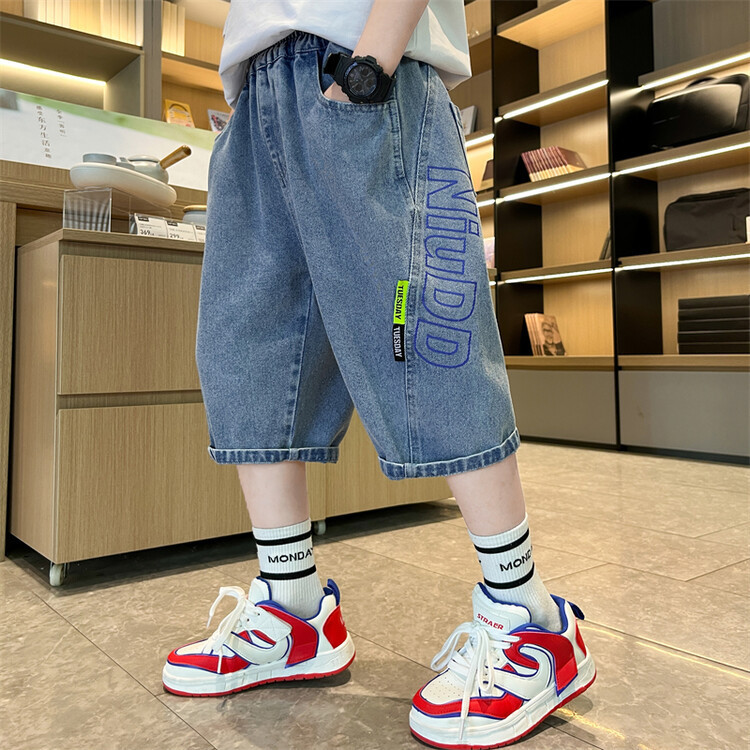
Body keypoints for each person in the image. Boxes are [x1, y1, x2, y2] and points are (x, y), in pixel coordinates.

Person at [161, 1, 596, 746]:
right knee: (248, 351)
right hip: (257, 93)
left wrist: (367, 69)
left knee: (428, 338)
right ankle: (293, 609)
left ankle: (532, 619)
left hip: (361, 73)